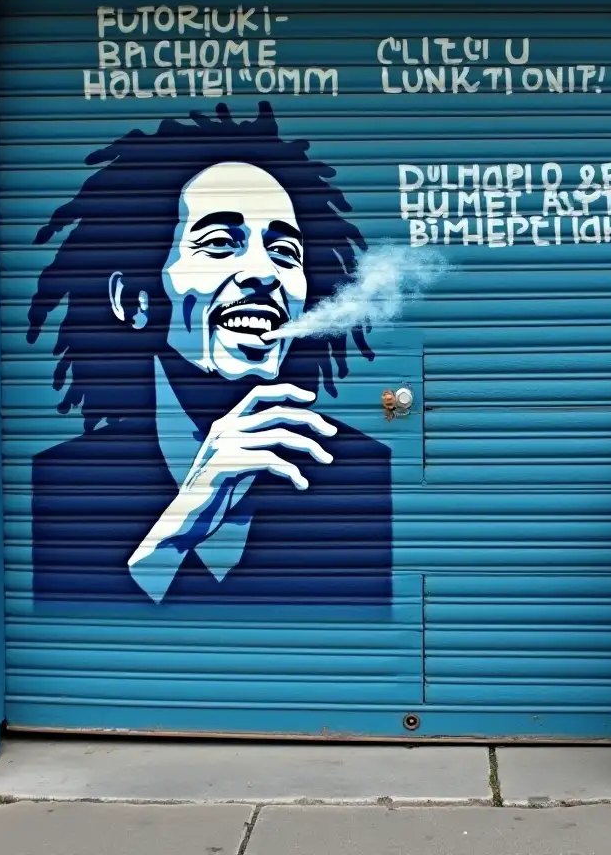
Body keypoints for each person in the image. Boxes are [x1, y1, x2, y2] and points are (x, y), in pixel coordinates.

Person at [27, 101, 392, 606]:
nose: (265, 273)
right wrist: (174, 532)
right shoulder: (65, 483)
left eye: (285, 252)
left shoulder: (358, 470)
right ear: (133, 300)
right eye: (221, 243)